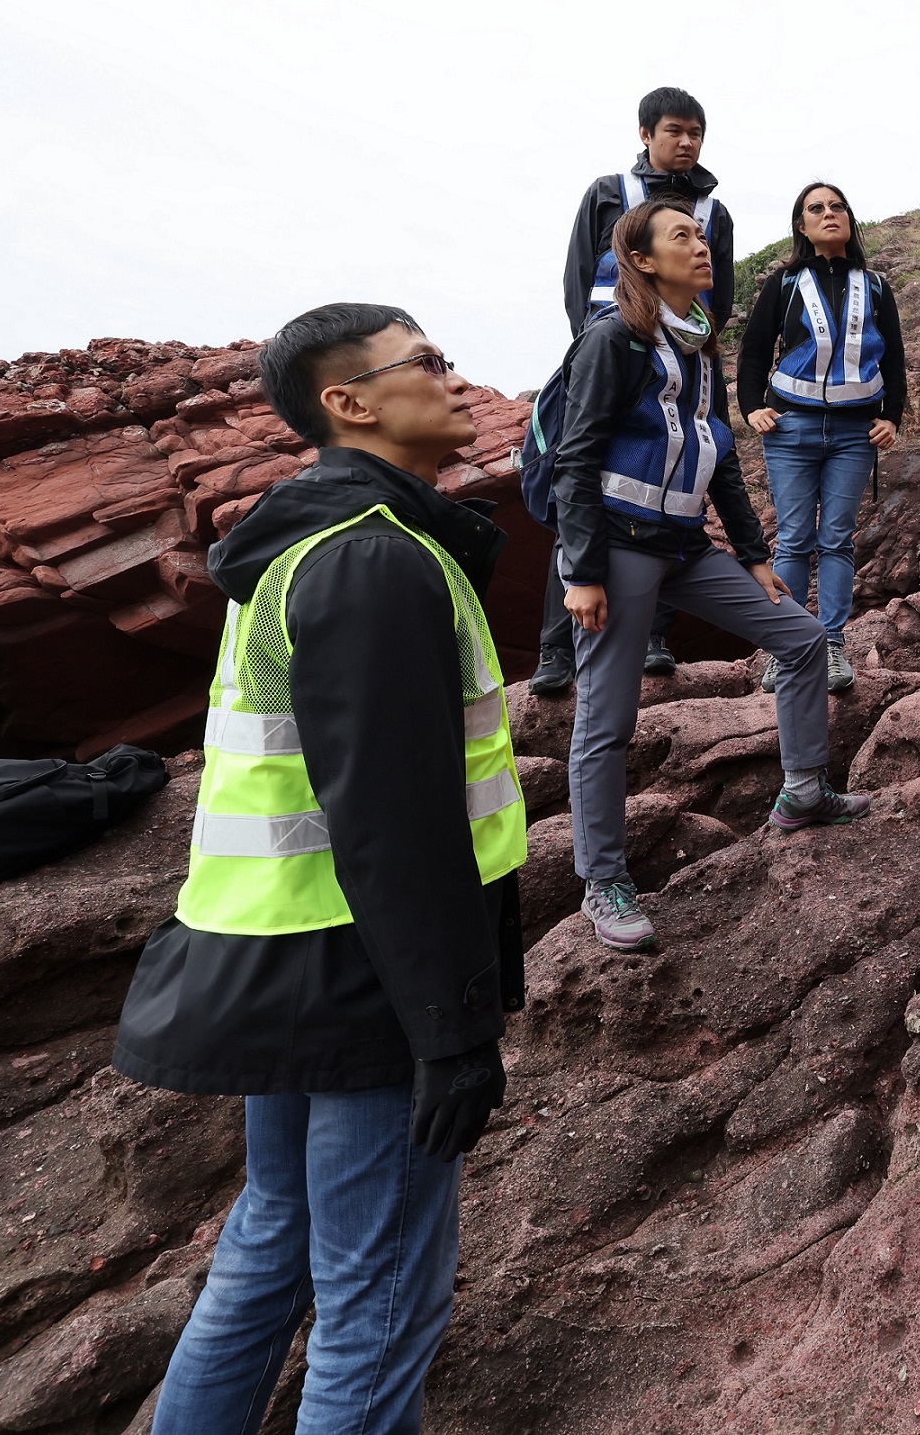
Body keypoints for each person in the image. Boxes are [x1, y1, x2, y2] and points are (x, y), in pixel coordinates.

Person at [115, 303, 523, 1433]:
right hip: (360, 979)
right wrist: (450, 1027)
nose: (453, 377)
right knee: (378, 1300)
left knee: (270, 1242)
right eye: (427, 362)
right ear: (349, 402)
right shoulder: (374, 562)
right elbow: (395, 819)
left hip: (280, 951)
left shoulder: (307, 544)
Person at [554, 198, 867, 953]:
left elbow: (720, 457)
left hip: (686, 545)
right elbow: (575, 458)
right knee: (608, 719)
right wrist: (583, 571)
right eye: (682, 238)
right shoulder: (612, 342)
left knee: (799, 641)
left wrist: (757, 556)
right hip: (620, 547)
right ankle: (603, 880)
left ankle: (802, 792)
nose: (702, 248)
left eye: (701, 237)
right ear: (641, 260)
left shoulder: (698, 344)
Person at [532, 86, 737, 696]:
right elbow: (578, 274)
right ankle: (554, 649)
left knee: (680, 476)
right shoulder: (608, 192)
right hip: (612, 349)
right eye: (675, 130)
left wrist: (699, 346)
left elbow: (718, 287)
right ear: (646, 134)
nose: (687, 142)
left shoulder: (712, 212)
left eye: (696, 133)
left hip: (684, 354)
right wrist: (593, 349)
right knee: (583, 478)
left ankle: (654, 635)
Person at [736, 181, 907, 695]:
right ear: (801, 226)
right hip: (791, 429)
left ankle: (831, 645)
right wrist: (751, 410)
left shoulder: (876, 285)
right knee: (791, 539)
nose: (829, 214)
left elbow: (894, 358)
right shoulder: (783, 283)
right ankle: (785, 647)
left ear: (849, 220)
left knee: (836, 540)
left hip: (856, 432)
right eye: (817, 209)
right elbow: (752, 352)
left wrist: (891, 417)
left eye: (837, 207)